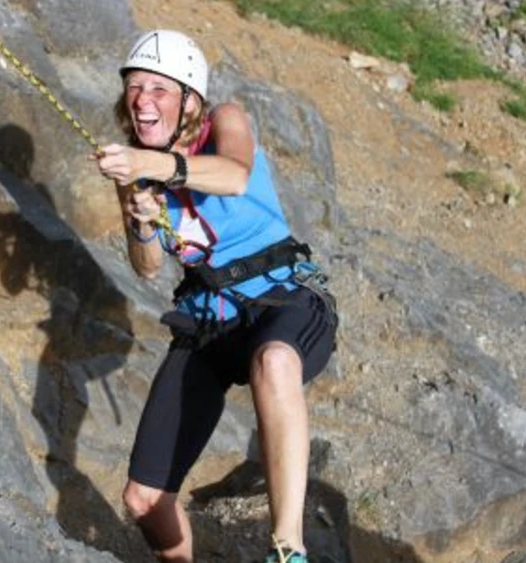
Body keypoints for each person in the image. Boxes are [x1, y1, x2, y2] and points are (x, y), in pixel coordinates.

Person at [94, 29, 337, 563]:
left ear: (189, 101)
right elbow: (148, 263)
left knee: (274, 362)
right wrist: (139, 221)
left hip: (284, 300)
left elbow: (234, 175)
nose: (142, 100)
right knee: (143, 498)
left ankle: (288, 549)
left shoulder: (224, 121)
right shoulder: (137, 169)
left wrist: (152, 170)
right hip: (209, 320)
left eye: (158, 88)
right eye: (135, 88)